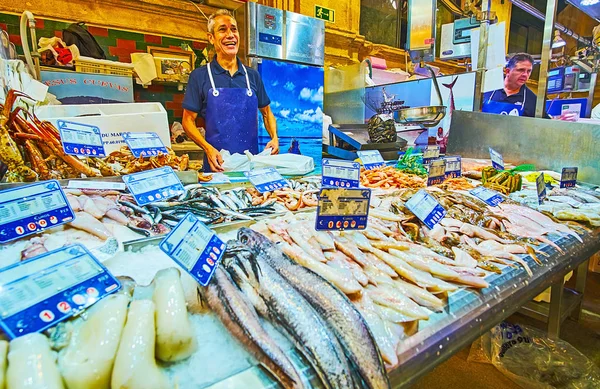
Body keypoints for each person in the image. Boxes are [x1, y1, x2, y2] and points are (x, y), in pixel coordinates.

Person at [181, 9, 278, 172]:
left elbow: (267, 113)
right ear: (211, 38)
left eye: (234, 29)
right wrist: (207, 148)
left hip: (250, 165)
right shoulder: (200, 76)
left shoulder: (252, 76)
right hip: (217, 165)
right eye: (222, 29)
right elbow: (187, 121)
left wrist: (274, 138)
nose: (230, 34)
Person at [482, 53, 537, 117]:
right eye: (521, 70)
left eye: (528, 71)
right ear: (507, 71)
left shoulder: (532, 99)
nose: (525, 75)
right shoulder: (487, 89)